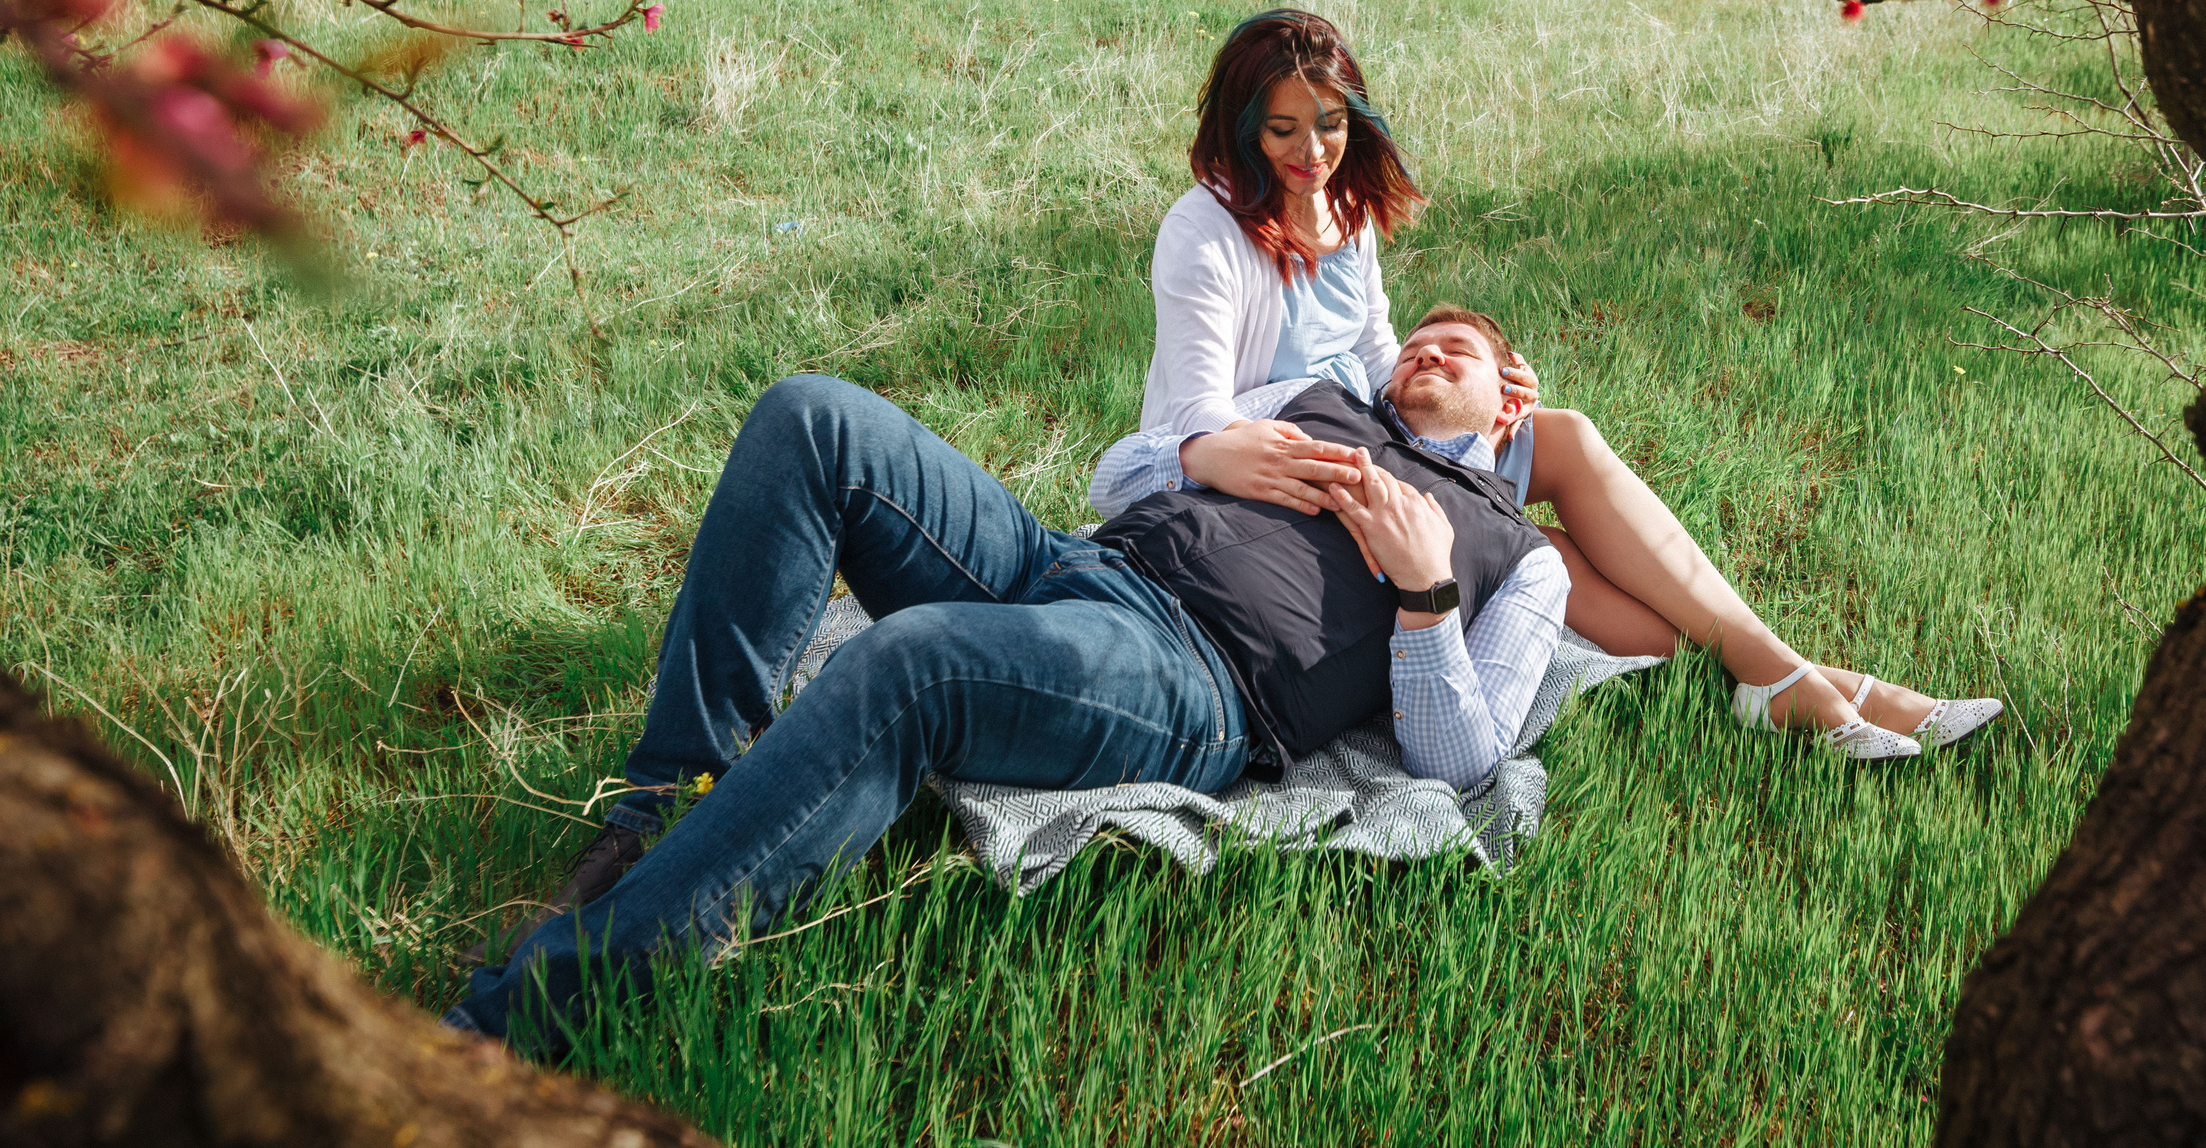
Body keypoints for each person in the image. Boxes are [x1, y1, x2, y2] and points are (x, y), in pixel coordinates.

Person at [447, 311, 1566, 1054]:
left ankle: (526, 1016)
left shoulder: (1516, 555)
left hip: (1191, 674)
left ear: (1507, 405)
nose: (1425, 351)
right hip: (1070, 560)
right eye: (1417, 337)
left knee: (912, 663)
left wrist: (1423, 596)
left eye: (1457, 350)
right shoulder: (1323, 399)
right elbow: (1120, 467)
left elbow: (1461, 761)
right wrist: (1196, 456)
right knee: (811, 416)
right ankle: (668, 810)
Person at [1123, 7, 2002, 761]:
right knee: (1523, 540)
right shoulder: (1206, 229)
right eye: (1284, 129)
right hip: (1283, 467)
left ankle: (1766, 668)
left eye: (1330, 122)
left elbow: (1369, 354)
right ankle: (1796, 678)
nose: (1313, 152)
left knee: (1559, 438)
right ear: (1245, 129)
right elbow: (1202, 412)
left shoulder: (1347, 216)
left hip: (1368, 432)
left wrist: (1481, 396)